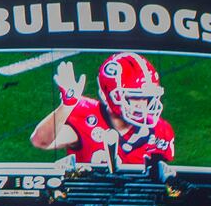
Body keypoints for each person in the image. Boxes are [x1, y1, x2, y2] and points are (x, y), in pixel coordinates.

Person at [30, 52, 175, 172]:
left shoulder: (160, 130)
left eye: (147, 97)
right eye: (135, 97)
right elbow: (40, 141)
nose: (142, 104)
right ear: (110, 94)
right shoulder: (87, 116)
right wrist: (67, 105)